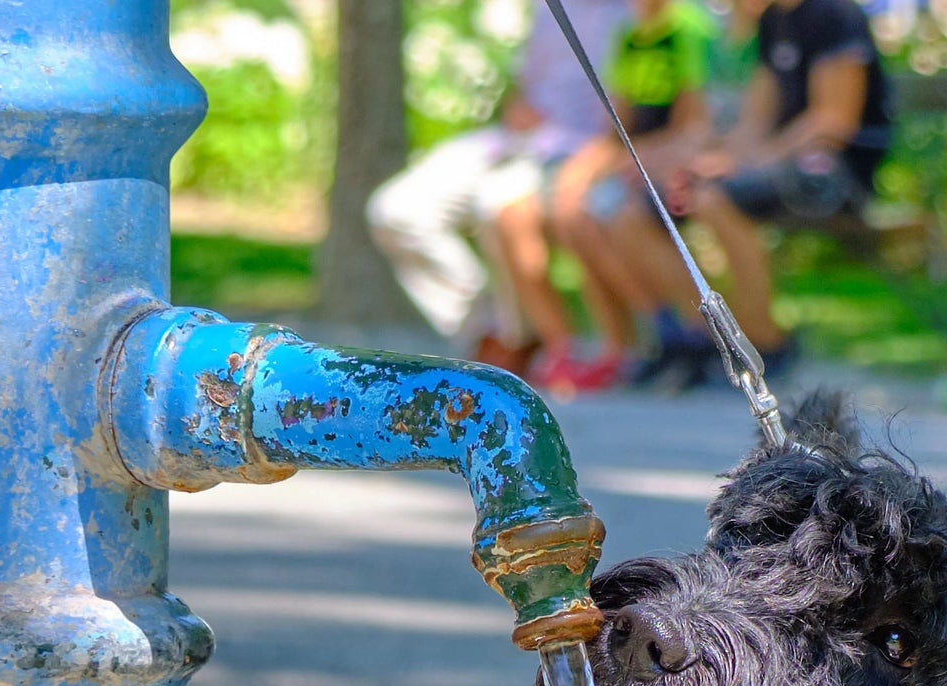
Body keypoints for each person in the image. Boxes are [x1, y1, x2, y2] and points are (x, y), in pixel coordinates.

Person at [615, 0, 892, 381]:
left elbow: (833, 121)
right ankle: (703, 341)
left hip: (836, 171)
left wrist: (750, 162)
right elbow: (755, 120)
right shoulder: (774, 20)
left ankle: (768, 341)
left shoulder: (835, 14)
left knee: (712, 199)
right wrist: (712, 160)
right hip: (779, 161)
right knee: (642, 208)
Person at [365, 0, 626, 374]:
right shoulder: (549, 8)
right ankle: (488, 329)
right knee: (395, 209)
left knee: (499, 202)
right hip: (513, 140)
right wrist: (518, 109)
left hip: (576, 151)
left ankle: (521, 343)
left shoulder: (636, 12)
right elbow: (527, 85)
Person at [495, 0, 719, 396]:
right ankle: (641, 340)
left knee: (620, 217)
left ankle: (694, 333)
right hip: (634, 158)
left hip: (675, 161)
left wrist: (637, 160)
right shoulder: (631, 34)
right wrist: (582, 173)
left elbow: (697, 125)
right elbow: (615, 125)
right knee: (571, 212)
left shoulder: (688, 29)